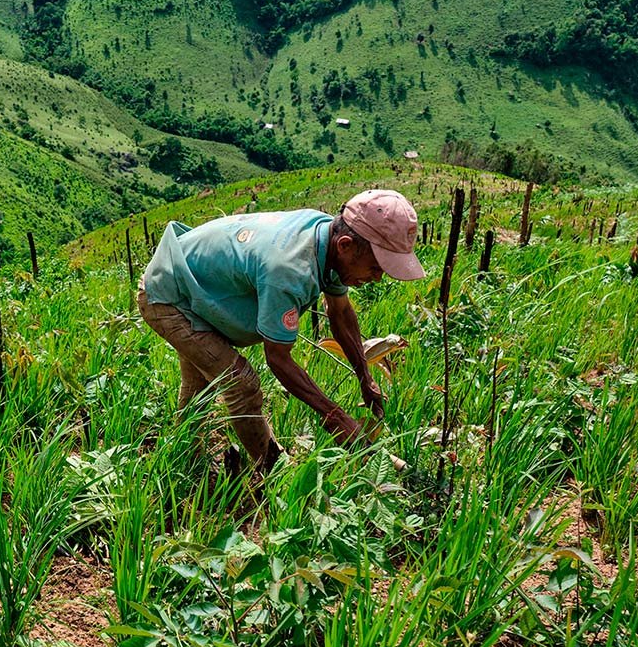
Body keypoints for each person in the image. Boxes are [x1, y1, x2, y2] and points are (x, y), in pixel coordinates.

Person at [137, 189, 426, 476]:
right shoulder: (288, 269)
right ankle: (274, 473)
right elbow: (278, 359)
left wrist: (364, 376)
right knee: (241, 384)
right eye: (376, 267)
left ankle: (184, 461)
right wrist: (335, 418)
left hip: (193, 283)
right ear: (346, 244)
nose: (378, 278)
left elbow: (340, 312)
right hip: (168, 295)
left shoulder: (327, 237)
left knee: (200, 385)